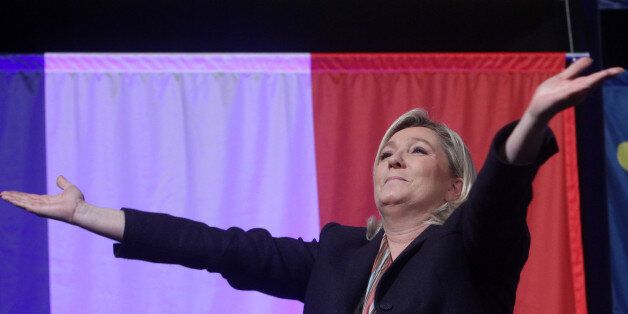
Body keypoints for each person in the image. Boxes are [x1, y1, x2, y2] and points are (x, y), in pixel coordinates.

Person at [1, 58, 623, 313]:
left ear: (454, 180)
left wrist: (535, 116)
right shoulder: (337, 253)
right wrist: (86, 214)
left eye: (417, 150)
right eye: (386, 152)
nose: (394, 159)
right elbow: (218, 247)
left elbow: (502, 193)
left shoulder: (470, 246)